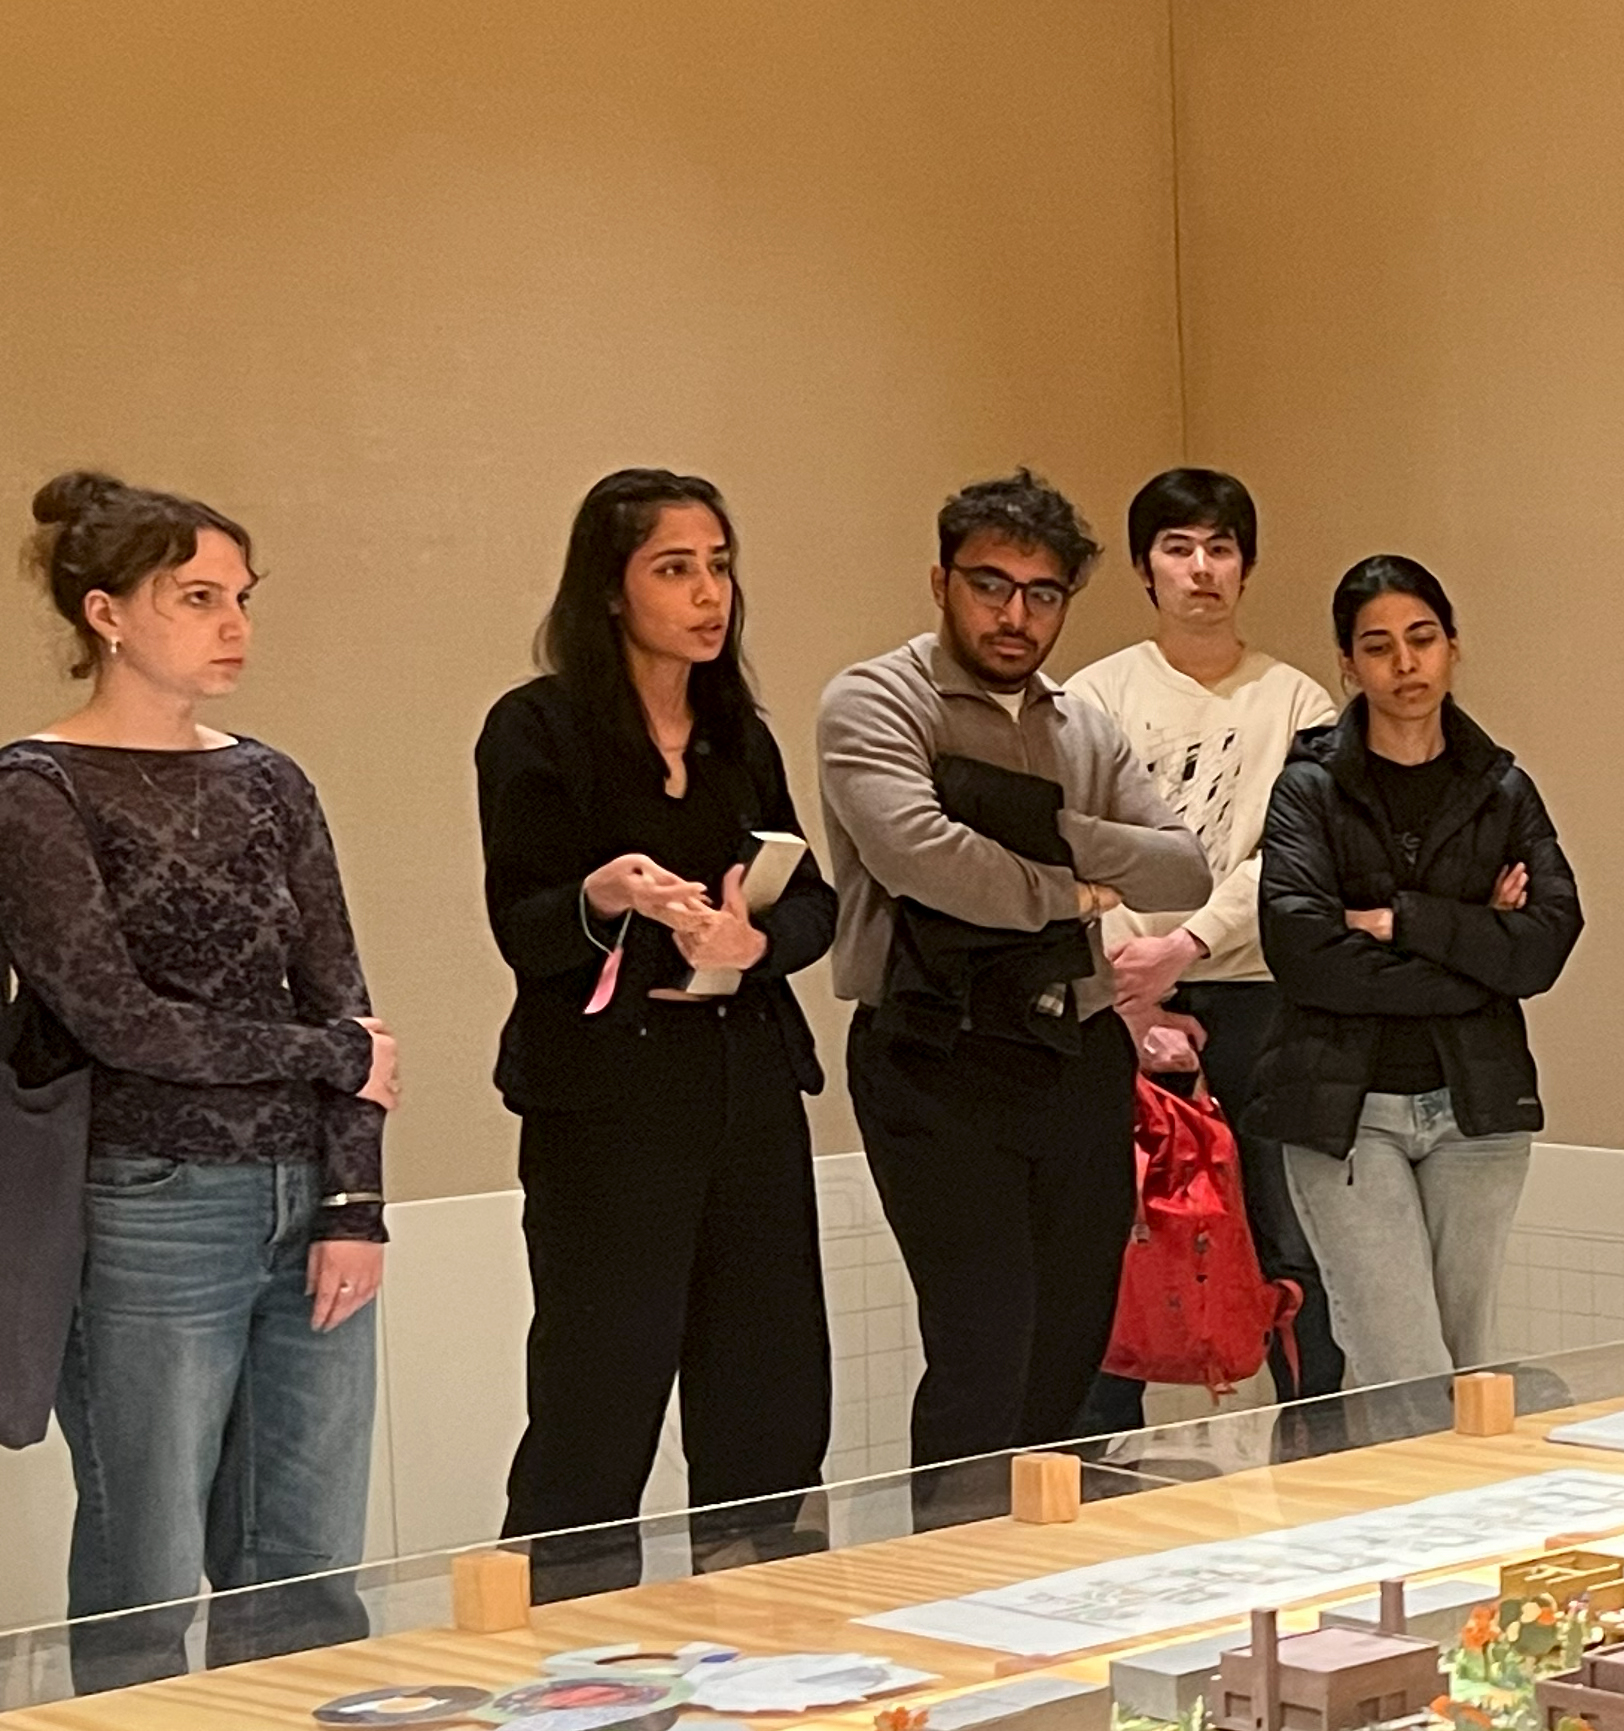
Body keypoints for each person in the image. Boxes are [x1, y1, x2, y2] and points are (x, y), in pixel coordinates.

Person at [0, 472, 401, 1691]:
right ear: (108, 612)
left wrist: (354, 1203)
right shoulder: (35, 790)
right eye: (199, 597)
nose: (233, 624)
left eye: (241, 597)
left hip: (304, 1200)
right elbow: (119, 1019)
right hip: (148, 1194)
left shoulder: (272, 781)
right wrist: (330, 1056)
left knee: (307, 1552)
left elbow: (347, 999)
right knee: (149, 1551)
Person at [476, 470, 837, 1594]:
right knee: (602, 1384)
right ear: (611, 587)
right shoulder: (536, 728)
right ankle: (567, 1645)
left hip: (744, 1081)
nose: (706, 593)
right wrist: (608, 895)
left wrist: (755, 943)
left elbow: (812, 900)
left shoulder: (740, 735)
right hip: (610, 1104)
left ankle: (767, 1631)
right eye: (674, 568)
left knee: (769, 1381)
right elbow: (524, 924)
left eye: (719, 564)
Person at [816, 471, 1205, 1491]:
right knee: (982, 1343)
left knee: (1070, 1344)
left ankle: (1038, 1592)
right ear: (942, 580)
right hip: (932, 1052)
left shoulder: (1082, 725)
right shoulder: (874, 699)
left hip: (1073, 1047)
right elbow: (923, 858)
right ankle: (949, 1581)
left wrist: (1027, 823)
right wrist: (1080, 889)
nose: (1015, 613)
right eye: (992, 584)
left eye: (1042, 593)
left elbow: (1183, 867)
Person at [1250, 556, 1581, 1389]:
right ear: (1348, 665)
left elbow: (1545, 941)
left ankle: (1432, 1518)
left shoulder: (1502, 788)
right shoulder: (1309, 789)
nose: (1405, 663)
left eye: (1422, 639)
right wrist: (1478, 952)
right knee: (1403, 1363)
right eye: (1379, 646)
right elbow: (1304, 956)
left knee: (1466, 1368)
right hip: (1344, 1110)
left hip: (1478, 1107)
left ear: (1452, 648)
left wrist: (1404, 922)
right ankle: (1426, 1518)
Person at [1064, 467, 1343, 1426]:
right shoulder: (1091, 696)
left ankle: (1322, 1459)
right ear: (1147, 568)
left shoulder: (1299, 701)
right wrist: (1133, 985)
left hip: (1258, 997)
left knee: (1287, 1239)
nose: (1201, 569)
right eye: (1179, 548)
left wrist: (1186, 942)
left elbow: (1293, 860)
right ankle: (1099, 1480)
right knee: (1118, 1238)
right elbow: (1075, 850)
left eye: (1221, 547)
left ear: (1247, 565)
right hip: (1119, 1002)